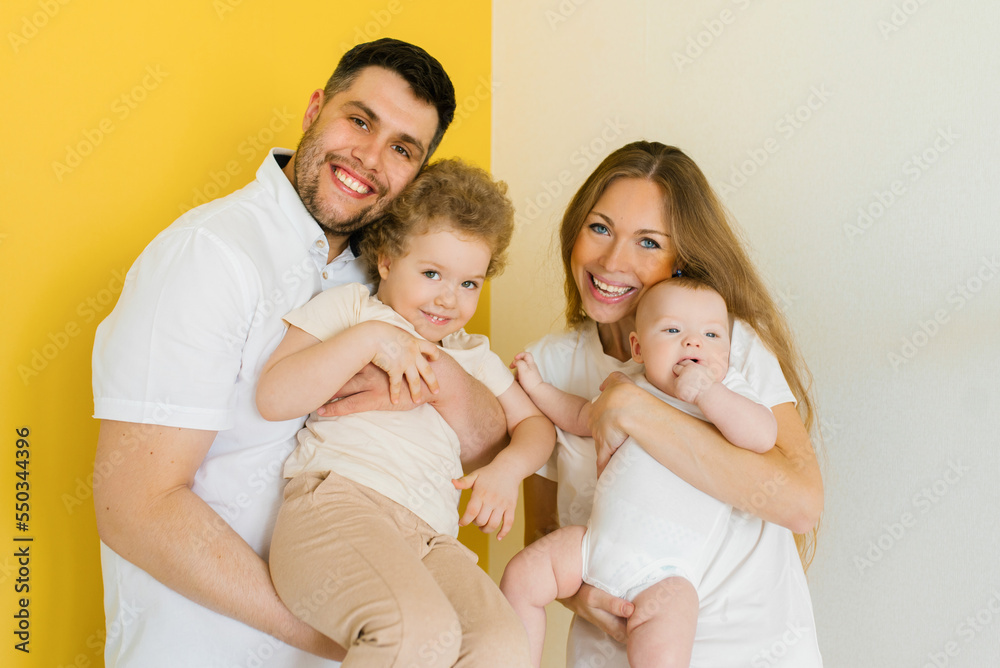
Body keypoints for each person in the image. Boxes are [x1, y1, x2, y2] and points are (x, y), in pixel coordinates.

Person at [91, 39, 509, 667]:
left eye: (402, 149)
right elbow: (135, 507)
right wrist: (367, 635)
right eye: (359, 120)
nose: (370, 157)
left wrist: (435, 376)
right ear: (316, 109)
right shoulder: (210, 256)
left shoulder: (395, 278)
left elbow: (481, 443)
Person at [519, 141, 825, 667]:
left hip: (751, 650)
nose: (613, 260)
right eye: (600, 228)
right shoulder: (547, 365)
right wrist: (581, 596)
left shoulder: (723, 346)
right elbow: (542, 532)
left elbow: (799, 504)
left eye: (648, 242)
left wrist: (634, 411)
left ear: (680, 260)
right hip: (608, 652)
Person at [257, 159, 550, 667]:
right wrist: (371, 339)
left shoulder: (471, 354)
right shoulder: (354, 310)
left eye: (469, 283)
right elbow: (273, 396)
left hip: (432, 536)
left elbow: (536, 426)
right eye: (432, 273)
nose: (449, 299)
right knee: (414, 629)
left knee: (503, 645)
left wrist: (508, 469)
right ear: (388, 260)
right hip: (339, 503)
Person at [502, 277, 783, 667]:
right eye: (672, 331)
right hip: (591, 547)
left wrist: (708, 393)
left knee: (662, 651)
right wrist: (536, 387)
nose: (694, 343)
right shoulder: (630, 388)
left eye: (711, 335)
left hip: (664, 577)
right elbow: (580, 416)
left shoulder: (729, 390)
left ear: (728, 351)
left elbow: (763, 435)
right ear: (638, 348)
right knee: (520, 578)